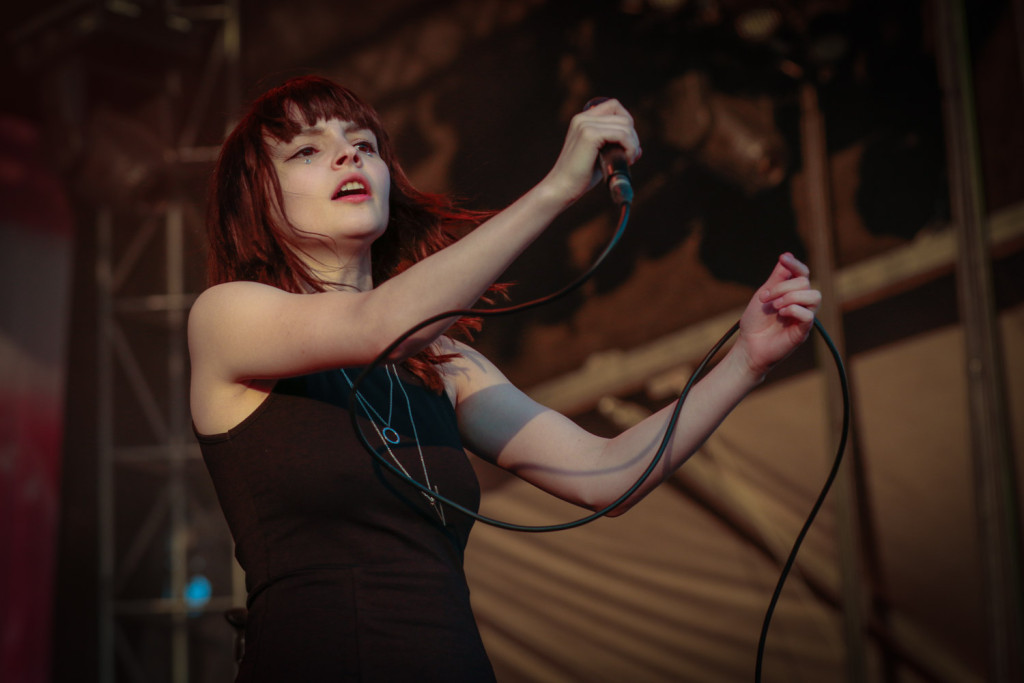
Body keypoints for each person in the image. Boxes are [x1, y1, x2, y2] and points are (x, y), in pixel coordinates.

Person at [188, 75, 821, 682]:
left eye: (364, 146)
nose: (346, 157)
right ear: (258, 198)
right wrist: (555, 190)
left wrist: (745, 361)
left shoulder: (442, 362)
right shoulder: (228, 316)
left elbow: (607, 475)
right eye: (306, 151)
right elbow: (377, 323)